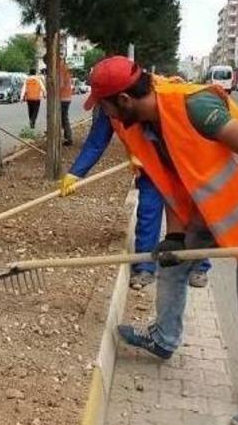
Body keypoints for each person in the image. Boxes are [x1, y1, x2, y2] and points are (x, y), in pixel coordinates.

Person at [84, 56, 238, 425]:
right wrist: (177, 236)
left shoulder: (196, 106)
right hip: (208, 214)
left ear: (124, 100)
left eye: (103, 104)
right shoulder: (146, 125)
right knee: (172, 266)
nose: (103, 112)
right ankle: (164, 338)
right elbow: (172, 182)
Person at [60, 104, 212, 290]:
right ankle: (145, 267)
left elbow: (181, 130)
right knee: (148, 212)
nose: (107, 108)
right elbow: (96, 143)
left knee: (191, 215)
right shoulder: (108, 108)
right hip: (148, 169)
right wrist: (76, 173)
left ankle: (199, 266)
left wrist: (155, 149)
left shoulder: (152, 98)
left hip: (180, 164)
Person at [58, 57, 74, 146]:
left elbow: (60, 84)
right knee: (64, 118)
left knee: (63, 118)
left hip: (62, 98)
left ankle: (68, 138)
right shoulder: (66, 69)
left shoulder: (60, 70)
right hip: (67, 97)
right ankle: (67, 137)